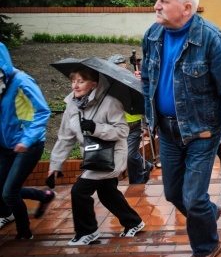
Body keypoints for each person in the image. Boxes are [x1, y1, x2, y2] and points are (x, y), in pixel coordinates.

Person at [141, 0, 221, 257]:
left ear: (187, 8)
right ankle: (208, 214)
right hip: (167, 131)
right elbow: (148, 80)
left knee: (193, 197)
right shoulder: (152, 35)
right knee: (174, 194)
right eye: (158, 0)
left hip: (202, 131)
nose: (156, 6)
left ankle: (207, 247)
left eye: (163, 1)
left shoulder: (214, 41)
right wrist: (148, 120)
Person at [49, 67, 144, 245]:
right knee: (107, 192)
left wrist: (96, 128)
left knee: (79, 191)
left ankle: (87, 232)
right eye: (73, 81)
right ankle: (134, 222)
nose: (75, 86)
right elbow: (65, 137)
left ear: (94, 84)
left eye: (81, 81)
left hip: (111, 157)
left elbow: (122, 131)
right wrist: (55, 164)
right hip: (93, 156)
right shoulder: (72, 105)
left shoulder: (110, 103)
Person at [0, 43, 55, 239]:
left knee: (9, 193)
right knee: (4, 189)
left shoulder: (22, 81)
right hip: (5, 146)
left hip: (28, 145)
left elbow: (43, 111)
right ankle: (43, 196)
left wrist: (27, 138)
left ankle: (24, 233)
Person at [108, 54, 153, 184]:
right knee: (127, 154)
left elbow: (144, 102)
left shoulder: (133, 80)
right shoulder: (109, 84)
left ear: (125, 66)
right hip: (117, 125)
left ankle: (136, 182)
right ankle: (146, 166)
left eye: (118, 67)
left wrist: (146, 125)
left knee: (130, 155)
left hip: (134, 124)